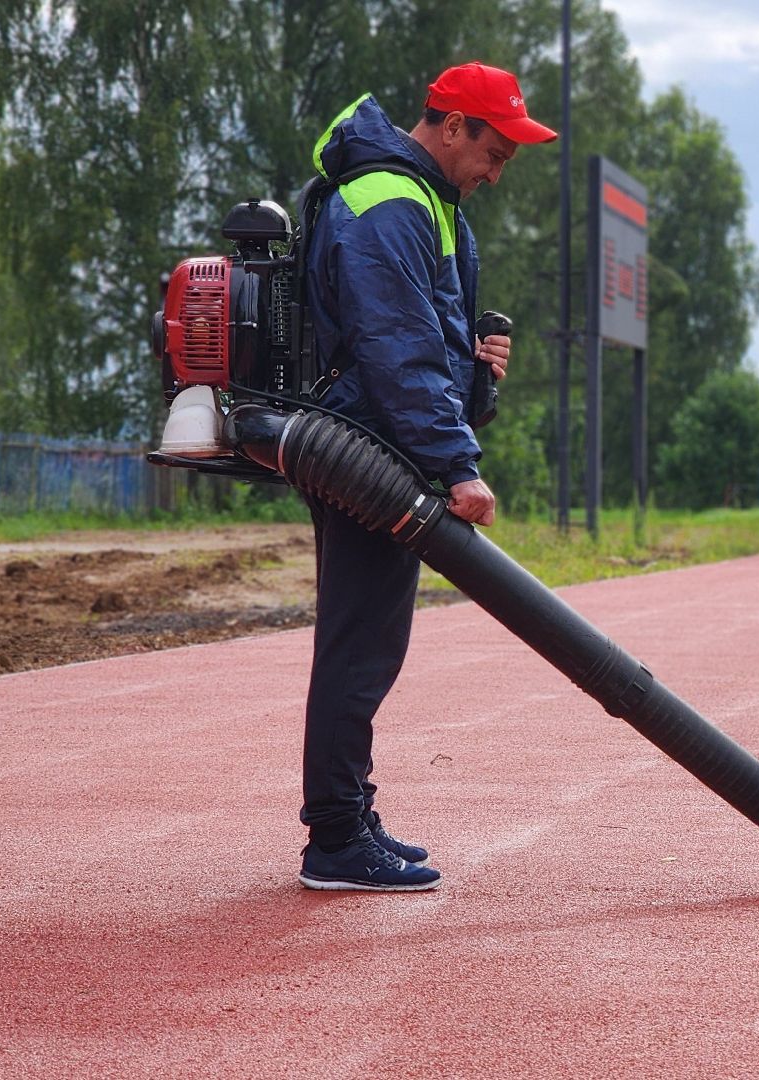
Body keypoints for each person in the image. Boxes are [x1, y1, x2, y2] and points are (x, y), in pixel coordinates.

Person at [295, 62, 557, 891]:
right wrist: (457, 465)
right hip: (373, 449)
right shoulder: (392, 201)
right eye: (495, 151)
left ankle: (349, 818)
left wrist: (476, 372)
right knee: (359, 647)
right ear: (452, 126)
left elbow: (425, 342)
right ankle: (335, 840)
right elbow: (396, 352)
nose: (497, 171)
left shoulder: (423, 202)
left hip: (382, 447)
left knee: (369, 643)